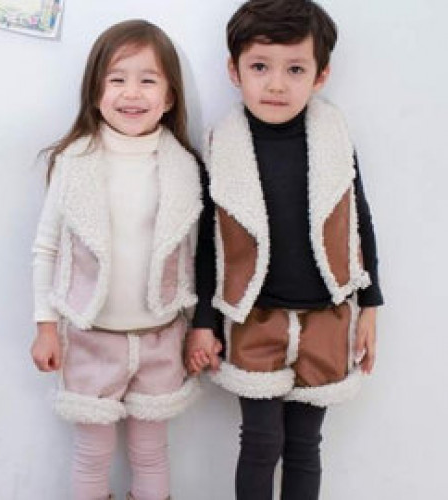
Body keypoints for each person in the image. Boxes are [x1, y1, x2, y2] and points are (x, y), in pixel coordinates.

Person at [185, 0, 384, 498]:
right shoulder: (222, 144)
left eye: (295, 69)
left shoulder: (335, 137)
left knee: (304, 445)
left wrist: (370, 304)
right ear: (234, 71)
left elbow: (358, 220)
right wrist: (204, 321)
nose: (276, 85)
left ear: (320, 76)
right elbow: (208, 240)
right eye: (260, 67)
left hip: (328, 316)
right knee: (260, 442)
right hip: (254, 318)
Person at [30, 19, 202, 500]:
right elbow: (46, 247)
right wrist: (45, 326)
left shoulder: (183, 167)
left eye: (147, 80)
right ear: (96, 90)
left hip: (161, 335)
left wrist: (198, 328)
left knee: (151, 451)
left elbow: (194, 257)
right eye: (117, 78)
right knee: (93, 452)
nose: (131, 93)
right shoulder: (75, 162)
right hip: (89, 336)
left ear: (169, 97)